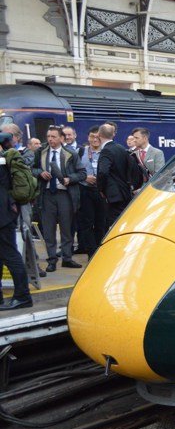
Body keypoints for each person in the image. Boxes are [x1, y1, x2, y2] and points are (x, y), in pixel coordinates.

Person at [33, 125, 84, 272]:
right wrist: (40, 173)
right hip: (47, 194)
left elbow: (82, 173)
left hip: (65, 195)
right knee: (49, 230)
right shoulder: (41, 152)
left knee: (66, 229)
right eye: (48, 136)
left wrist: (70, 179)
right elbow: (31, 168)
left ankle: (67, 258)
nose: (50, 139)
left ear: (61, 138)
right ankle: (51, 260)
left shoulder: (71, 154)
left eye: (53, 137)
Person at [0, 132, 32, 309]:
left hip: (3, 214)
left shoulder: (3, 161)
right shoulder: (6, 159)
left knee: (10, 255)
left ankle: (23, 296)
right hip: (6, 211)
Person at [76, 126, 107, 256]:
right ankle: (91, 252)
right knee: (87, 223)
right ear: (88, 138)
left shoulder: (106, 152)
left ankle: (100, 251)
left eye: (97, 137)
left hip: (101, 192)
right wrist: (85, 177)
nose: (94, 140)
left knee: (101, 223)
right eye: (91, 137)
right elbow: (72, 171)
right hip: (85, 191)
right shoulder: (80, 152)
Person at [97, 123, 134, 228]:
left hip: (113, 195)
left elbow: (103, 172)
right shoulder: (121, 148)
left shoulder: (106, 150)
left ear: (99, 134)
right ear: (113, 134)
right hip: (125, 192)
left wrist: (101, 189)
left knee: (114, 224)